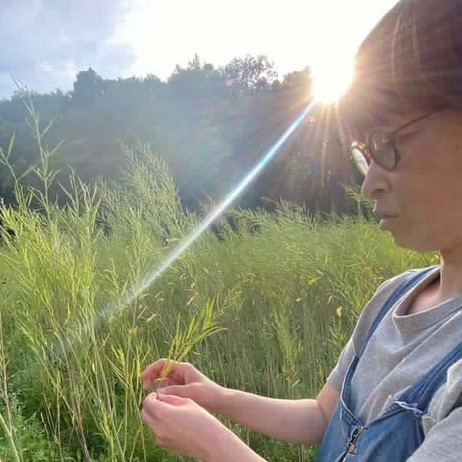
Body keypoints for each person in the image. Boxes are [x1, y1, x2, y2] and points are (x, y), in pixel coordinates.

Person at [140, 0, 462, 460]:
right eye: (365, 156)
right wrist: (217, 397)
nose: (369, 184)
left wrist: (213, 446)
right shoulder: (393, 296)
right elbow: (322, 414)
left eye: (387, 144)